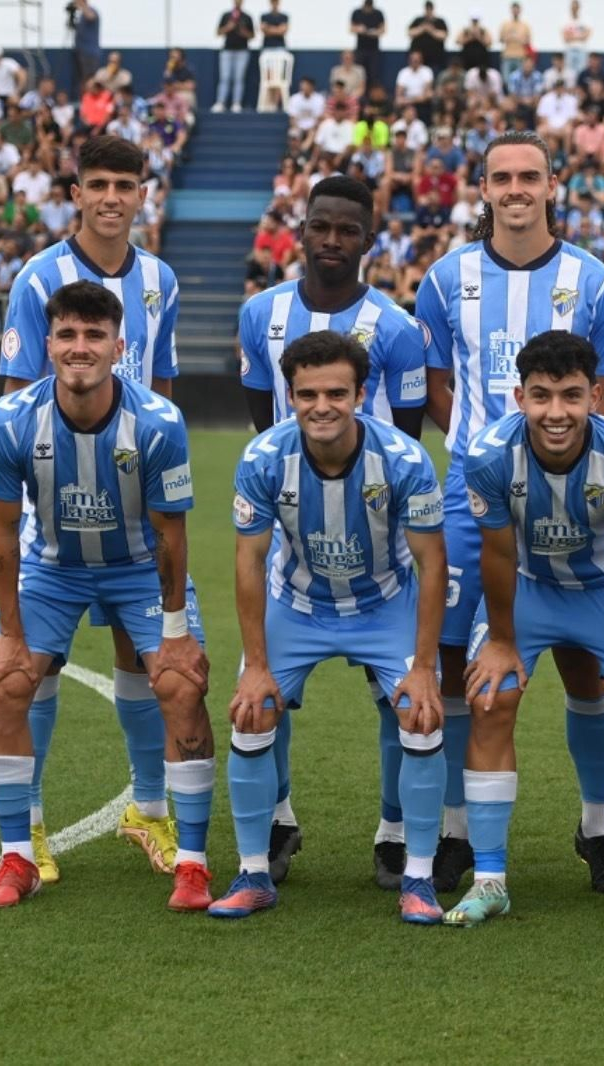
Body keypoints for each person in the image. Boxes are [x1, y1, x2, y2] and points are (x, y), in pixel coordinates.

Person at [416, 130, 604, 898]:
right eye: (501, 177)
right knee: (460, 663)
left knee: (589, 667)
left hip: (575, 497)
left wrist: (561, 457)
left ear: (554, 185)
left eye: (530, 176)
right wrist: (484, 450)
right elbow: (435, 383)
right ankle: (454, 831)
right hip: (469, 495)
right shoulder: (446, 279)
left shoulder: (595, 280)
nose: (516, 188)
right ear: (482, 188)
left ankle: (598, 826)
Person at [0, 280, 215, 912]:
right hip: (52, 569)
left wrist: (174, 629)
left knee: (181, 684)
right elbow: (0, 532)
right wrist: (9, 630)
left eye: (94, 336)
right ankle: (17, 856)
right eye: (68, 335)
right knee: (6, 682)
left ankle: (192, 864)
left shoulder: (158, 423)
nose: (80, 348)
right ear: (48, 344)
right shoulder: (10, 418)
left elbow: (170, 536)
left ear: (119, 347)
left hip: (137, 566)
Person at [0, 136, 189, 886]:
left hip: (137, 516)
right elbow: (16, 395)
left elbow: (163, 388)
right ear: (75, 192)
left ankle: (147, 809)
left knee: (140, 659)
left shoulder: (161, 279)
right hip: (54, 512)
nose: (112, 197)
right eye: (98, 184)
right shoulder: (38, 277)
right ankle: (31, 828)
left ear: (145, 193)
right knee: (32, 670)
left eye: (126, 184)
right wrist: (26, 506)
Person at [211, 330, 447, 921]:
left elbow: (432, 562)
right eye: (307, 393)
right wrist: (257, 667)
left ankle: (418, 878)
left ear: (362, 394)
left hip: (384, 602)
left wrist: (423, 668)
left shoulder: (404, 459)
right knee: (251, 710)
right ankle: (253, 873)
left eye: (336, 393)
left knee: (418, 718)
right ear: (289, 396)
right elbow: (248, 561)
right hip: (297, 604)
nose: (322, 406)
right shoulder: (264, 458)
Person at [238, 174, 432, 889]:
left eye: (347, 230)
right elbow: (264, 419)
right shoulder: (260, 315)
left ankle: (393, 832)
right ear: (302, 229)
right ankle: (279, 818)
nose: (331, 240)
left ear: (368, 240)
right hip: (295, 538)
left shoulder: (399, 329)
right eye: (321, 225)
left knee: (401, 697)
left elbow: (405, 438)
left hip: (382, 547)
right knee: (263, 694)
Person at [447, 330, 604, 930]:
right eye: (542, 396)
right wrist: (499, 641)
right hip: (528, 587)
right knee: (490, 697)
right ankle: (489, 877)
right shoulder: (489, 455)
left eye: (571, 396)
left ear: (596, 397)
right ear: (519, 396)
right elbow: (495, 555)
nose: (556, 412)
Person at [214, 1, 256, 113]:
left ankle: (236, 103)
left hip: (242, 51)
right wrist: (229, 27)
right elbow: (218, 32)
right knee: (225, 77)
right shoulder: (226, 15)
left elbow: (252, 35)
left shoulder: (247, 17)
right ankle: (220, 102)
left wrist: (243, 31)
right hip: (227, 51)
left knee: (239, 78)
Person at [71, 0, 103, 96]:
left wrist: (81, 5)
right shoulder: (81, 16)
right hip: (80, 52)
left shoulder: (92, 11)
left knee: (90, 79)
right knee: (82, 81)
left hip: (90, 53)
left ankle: (92, 100)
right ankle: (84, 100)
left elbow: (91, 16)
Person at [409, 2, 450, 73]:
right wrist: (422, 28)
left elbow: (444, 35)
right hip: (420, 58)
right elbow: (410, 32)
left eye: (430, 9)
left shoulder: (440, 21)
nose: (428, 11)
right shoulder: (418, 20)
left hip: (436, 58)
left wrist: (431, 30)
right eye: (427, 9)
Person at [562, 0, 592, 83]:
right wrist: (579, 36)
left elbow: (586, 36)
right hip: (569, 50)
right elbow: (565, 37)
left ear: (579, 7)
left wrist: (572, 36)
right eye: (572, 6)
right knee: (569, 73)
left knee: (582, 71)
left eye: (576, 6)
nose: (574, 8)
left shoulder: (585, 20)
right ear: (570, 8)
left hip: (581, 50)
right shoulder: (565, 20)